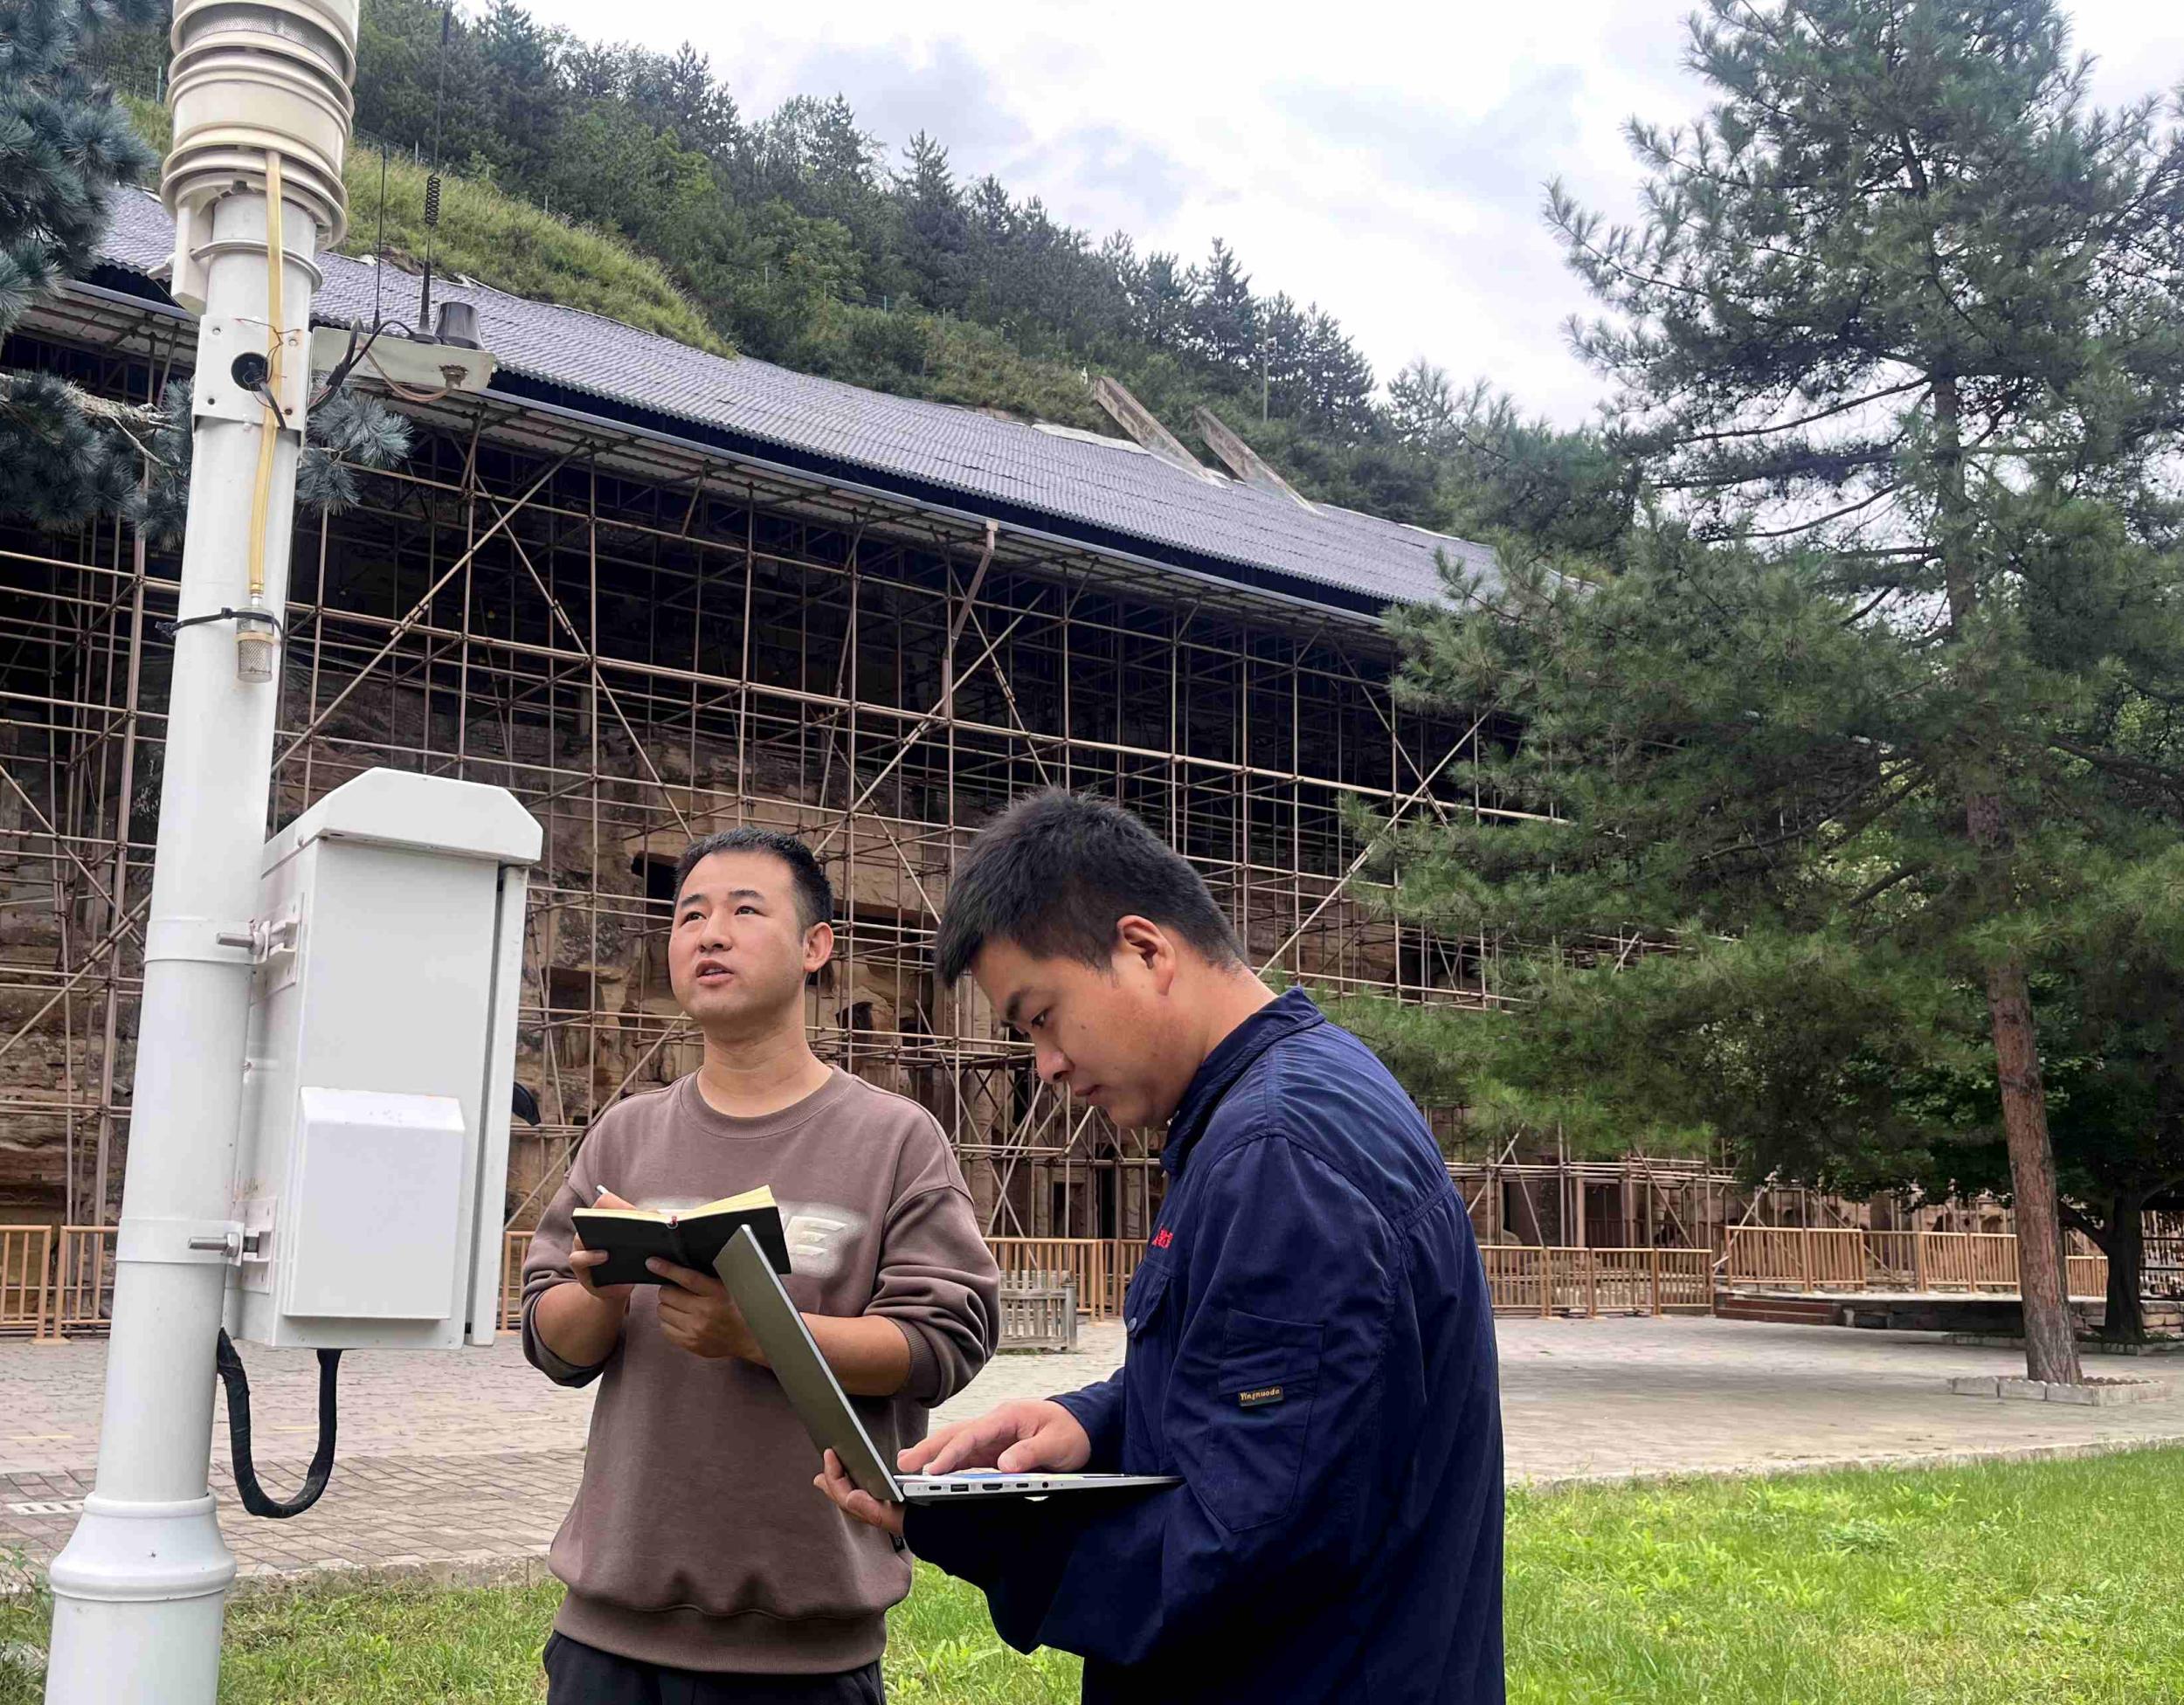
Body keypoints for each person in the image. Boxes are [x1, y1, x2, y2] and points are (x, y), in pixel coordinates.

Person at [816, 791, 1504, 1703]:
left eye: (1041, 1016)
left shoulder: (1281, 1153)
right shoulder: (1288, 1102)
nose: (1045, 1065)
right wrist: (1091, 1423)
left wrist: (957, 1519)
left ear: (1145, 950)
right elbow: (1274, 1396)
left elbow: (1235, 1548)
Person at [522, 826, 1000, 1703]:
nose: (710, 934)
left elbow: (943, 1340)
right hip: (607, 1634)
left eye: (746, 911)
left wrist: (760, 1332)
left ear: (816, 946)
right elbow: (552, 1339)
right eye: (690, 915)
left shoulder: (893, 1139)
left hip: (804, 1651)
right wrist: (602, 1291)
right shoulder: (626, 1133)